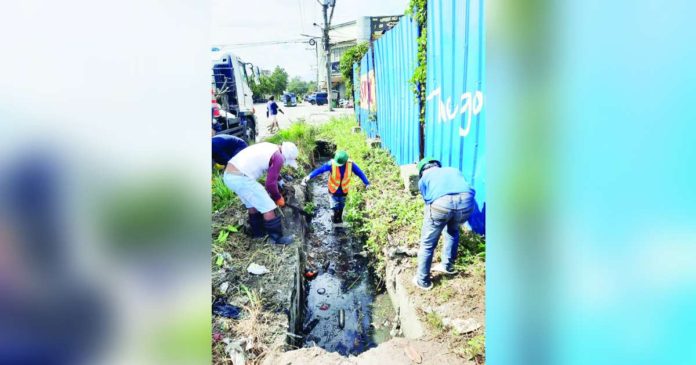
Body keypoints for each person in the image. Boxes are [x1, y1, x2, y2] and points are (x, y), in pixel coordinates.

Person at [412, 157, 476, 290]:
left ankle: (423, 280)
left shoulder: (423, 179)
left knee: (427, 243)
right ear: (437, 166)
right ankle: (448, 266)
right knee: (453, 231)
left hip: (441, 205)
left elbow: (428, 201)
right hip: (466, 203)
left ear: (422, 171)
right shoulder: (453, 170)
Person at [223, 141, 299, 244]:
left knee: (252, 204)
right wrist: (278, 198)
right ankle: (277, 238)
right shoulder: (279, 157)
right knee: (268, 206)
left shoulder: (271, 147)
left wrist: (280, 181)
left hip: (230, 176)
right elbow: (270, 185)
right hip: (241, 177)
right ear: (286, 156)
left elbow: (272, 170)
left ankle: (258, 233)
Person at [301, 150, 369, 225]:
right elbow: (320, 170)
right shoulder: (331, 164)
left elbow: (360, 173)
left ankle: (339, 221)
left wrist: (367, 183)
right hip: (333, 191)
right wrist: (309, 176)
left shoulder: (351, 164)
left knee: (341, 207)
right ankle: (335, 221)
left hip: (344, 191)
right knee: (335, 207)